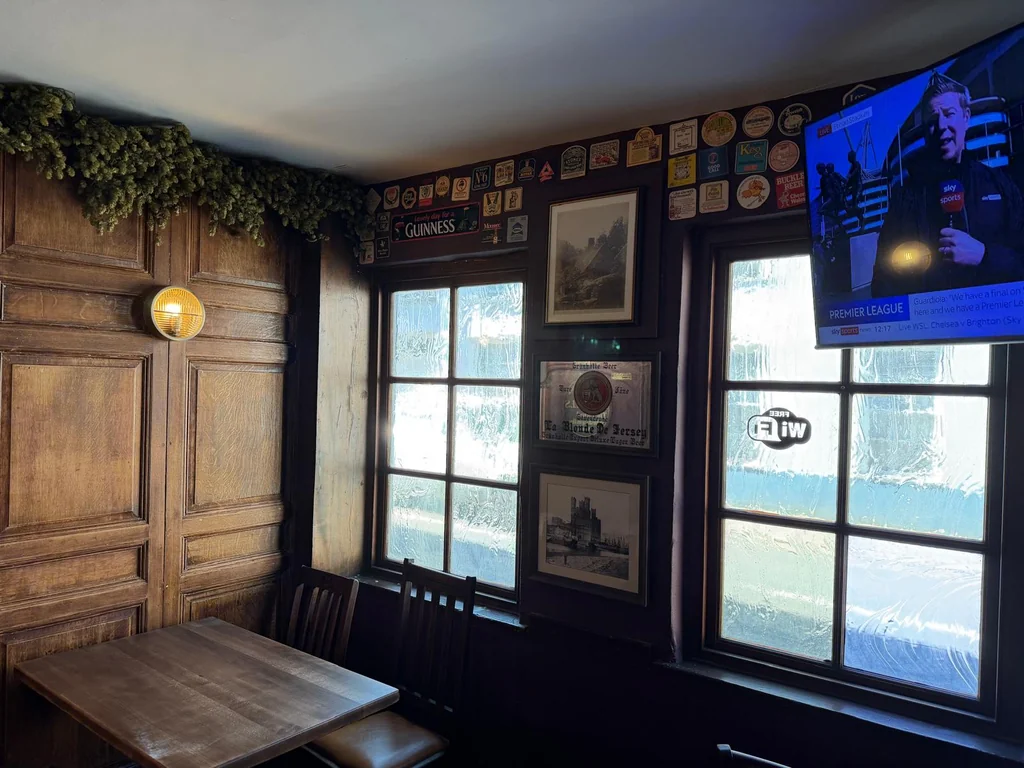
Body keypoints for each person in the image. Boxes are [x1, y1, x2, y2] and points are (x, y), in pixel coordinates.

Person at [872, 73, 1024, 297]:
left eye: (949, 114)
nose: (941, 125)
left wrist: (984, 255)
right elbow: (883, 281)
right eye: (933, 119)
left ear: (966, 117)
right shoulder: (905, 198)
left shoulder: (1000, 184)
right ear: (925, 131)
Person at [845, 150, 864, 227]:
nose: (848, 159)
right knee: (853, 206)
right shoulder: (852, 166)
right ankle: (860, 218)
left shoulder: (857, 164)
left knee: (855, 205)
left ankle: (861, 216)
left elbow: (853, 174)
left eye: (849, 157)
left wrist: (849, 176)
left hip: (858, 187)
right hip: (854, 188)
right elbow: (849, 178)